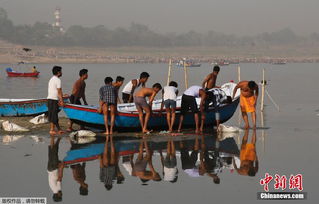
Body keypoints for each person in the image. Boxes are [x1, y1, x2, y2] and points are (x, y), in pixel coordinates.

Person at [47, 66, 65, 135]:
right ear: (58, 72)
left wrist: (62, 96)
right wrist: (62, 101)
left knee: (53, 115)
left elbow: (56, 90)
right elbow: (59, 91)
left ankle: (55, 129)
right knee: (54, 115)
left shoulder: (52, 79)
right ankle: (54, 130)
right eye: (61, 71)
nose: (62, 73)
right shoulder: (58, 80)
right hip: (53, 100)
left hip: (50, 99)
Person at [47, 135, 64, 202]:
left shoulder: (57, 189)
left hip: (54, 169)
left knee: (54, 152)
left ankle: (53, 137)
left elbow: (59, 178)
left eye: (61, 196)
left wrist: (61, 168)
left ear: (57, 195)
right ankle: (56, 138)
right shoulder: (52, 189)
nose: (62, 194)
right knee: (52, 153)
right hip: (49, 169)